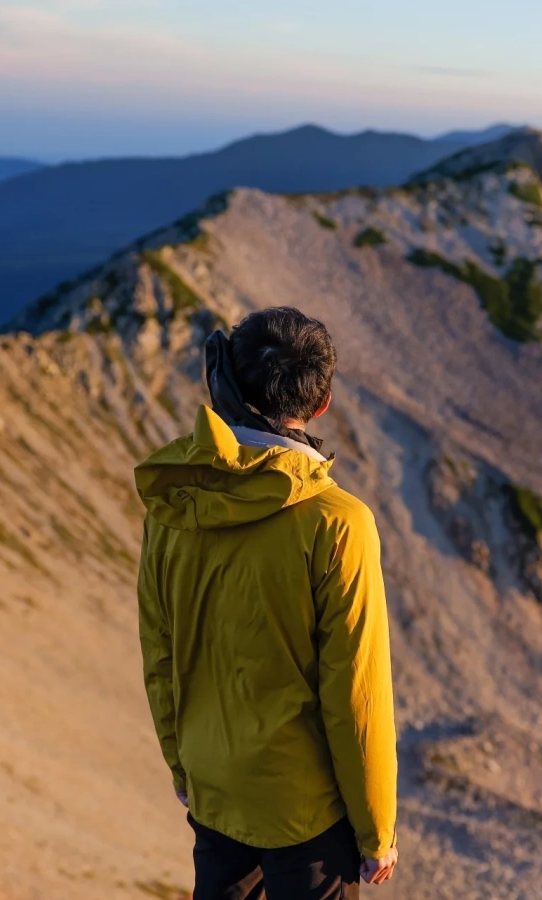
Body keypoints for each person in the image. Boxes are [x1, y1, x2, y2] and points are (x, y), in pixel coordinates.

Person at [134, 307, 398, 900]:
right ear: (322, 402)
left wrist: (184, 769)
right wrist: (377, 829)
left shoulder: (176, 500)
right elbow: (355, 694)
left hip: (213, 787)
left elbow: (160, 652)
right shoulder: (339, 523)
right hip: (305, 813)